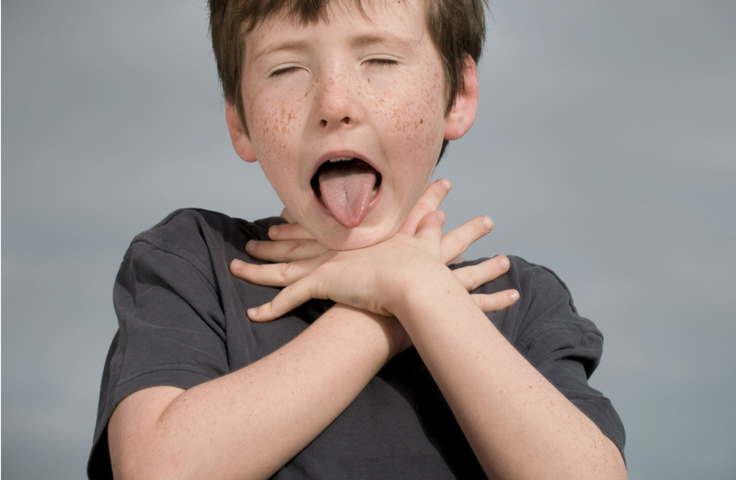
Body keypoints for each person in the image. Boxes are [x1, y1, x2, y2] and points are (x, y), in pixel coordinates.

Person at [88, 0, 627, 478]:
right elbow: (157, 468)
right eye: (286, 68)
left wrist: (421, 289)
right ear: (239, 118)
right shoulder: (194, 261)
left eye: (381, 60)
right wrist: (381, 317)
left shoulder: (519, 302)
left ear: (458, 94)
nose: (334, 103)